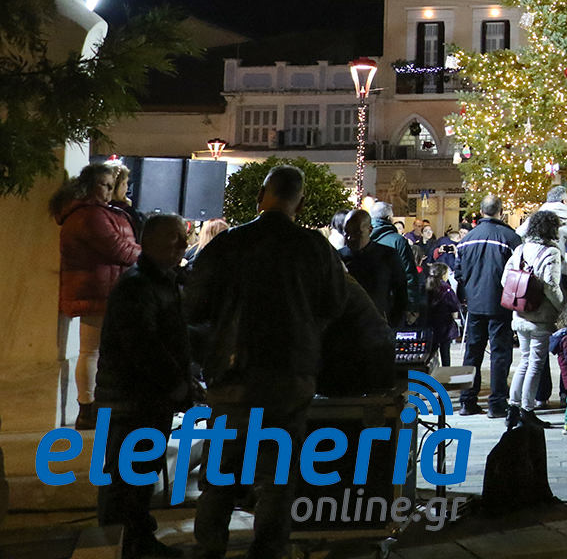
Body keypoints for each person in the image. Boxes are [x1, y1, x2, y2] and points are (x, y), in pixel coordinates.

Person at [186, 166, 348, 559]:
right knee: (278, 474)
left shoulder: (228, 244)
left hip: (232, 375)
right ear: (300, 203)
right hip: (289, 374)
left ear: (261, 196)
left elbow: (193, 306)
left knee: (221, 471)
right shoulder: (314, 248)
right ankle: (268, 550)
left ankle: (209, 548)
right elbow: (334, 305)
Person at [94, 213, 194, 559]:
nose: (183, 245)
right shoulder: (139, 286)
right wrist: (176, 383)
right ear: (149, 241)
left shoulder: (158, 282)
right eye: (175, 238)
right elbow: (144, 345)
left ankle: (134, 539)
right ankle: (124, 544)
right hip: (133, 401)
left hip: (144, 400)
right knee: (128, 477)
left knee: (137, 476)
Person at [53, 162, 140, 430]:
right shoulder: (89, 216)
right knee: (90, 352)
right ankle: (87, 408)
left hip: (102, 288)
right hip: (95, 290)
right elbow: (118, 249)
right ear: (90, 185)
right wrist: (146, 253)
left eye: (111, 186)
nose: (108, 191)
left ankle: (92, 406)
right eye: (104, 185)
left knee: (94, 351)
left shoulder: (97, 213)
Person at [456, 195, 523, 417]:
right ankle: (496, 403)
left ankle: (467, 401)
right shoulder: (510, 238)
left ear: (482, 211)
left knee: (472, 353)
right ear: (500, 212)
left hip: (474, 303)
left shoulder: (467, 239)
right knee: (500, 353)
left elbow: (458, 273)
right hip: (501, 303)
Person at [509, 210, 566, 425]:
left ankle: (513, 407)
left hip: (520, 311)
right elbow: (551, 285)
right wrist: (563, 308)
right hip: (540, 316)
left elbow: (506, 279)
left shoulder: (520, 249)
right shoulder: (551, 252)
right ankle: (527, 410)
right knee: (535, 363)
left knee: (524, 360)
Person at [341, 208, 409, 326]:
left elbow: (400, 290)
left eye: (357, 232)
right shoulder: (338, 257)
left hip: (378, 323)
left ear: (370, 230)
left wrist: (393, 321)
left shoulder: (388, 255)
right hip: (347, 325)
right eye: (347, 232)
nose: (350, 238)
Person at [369, 201, 421, 318]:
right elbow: (409, 274)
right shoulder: (398, 241)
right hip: (393, 302)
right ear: (389, 218)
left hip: (367, 302)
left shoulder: (363, 239)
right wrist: (412, 306)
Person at [423, 262, 462, 367]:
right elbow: (455, 306)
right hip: (445, 326)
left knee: (429, 353)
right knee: (445, 354)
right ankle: (446, 373)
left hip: (429, 325)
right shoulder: (446, 289)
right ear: (443, 274)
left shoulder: (425, 285)